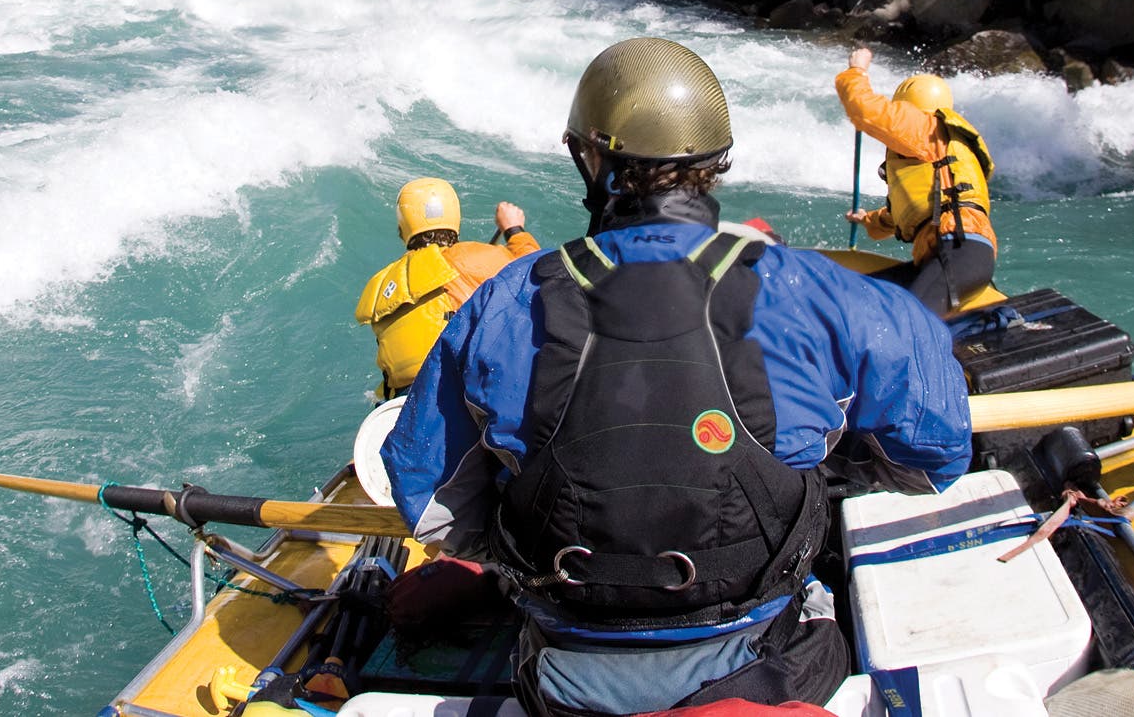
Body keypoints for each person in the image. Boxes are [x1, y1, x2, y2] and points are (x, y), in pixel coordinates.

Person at [383, 38, 972, 717]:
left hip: (564, 684)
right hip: (771, 662)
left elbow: (430, 501)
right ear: (713, 163)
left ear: (591, 157)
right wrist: (821, 457)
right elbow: (936, 454)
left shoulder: (504, 300)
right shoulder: (814, 290)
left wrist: (531, 550)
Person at [834, 47, 998, 317]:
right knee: (869, 301)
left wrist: (857, 70)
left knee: (904, 321)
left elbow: (863, 110)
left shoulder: (924, 126)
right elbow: (909, 213)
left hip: (958, 252)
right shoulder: (941, 146)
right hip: (958, 254)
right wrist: (868, 220)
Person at [354, 177, 537, 399]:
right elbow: (534, 269)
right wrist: (514, 229)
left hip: (403, 398)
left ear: (403, 230)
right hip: (460, 387)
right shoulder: (475, 256)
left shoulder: (382, 283)